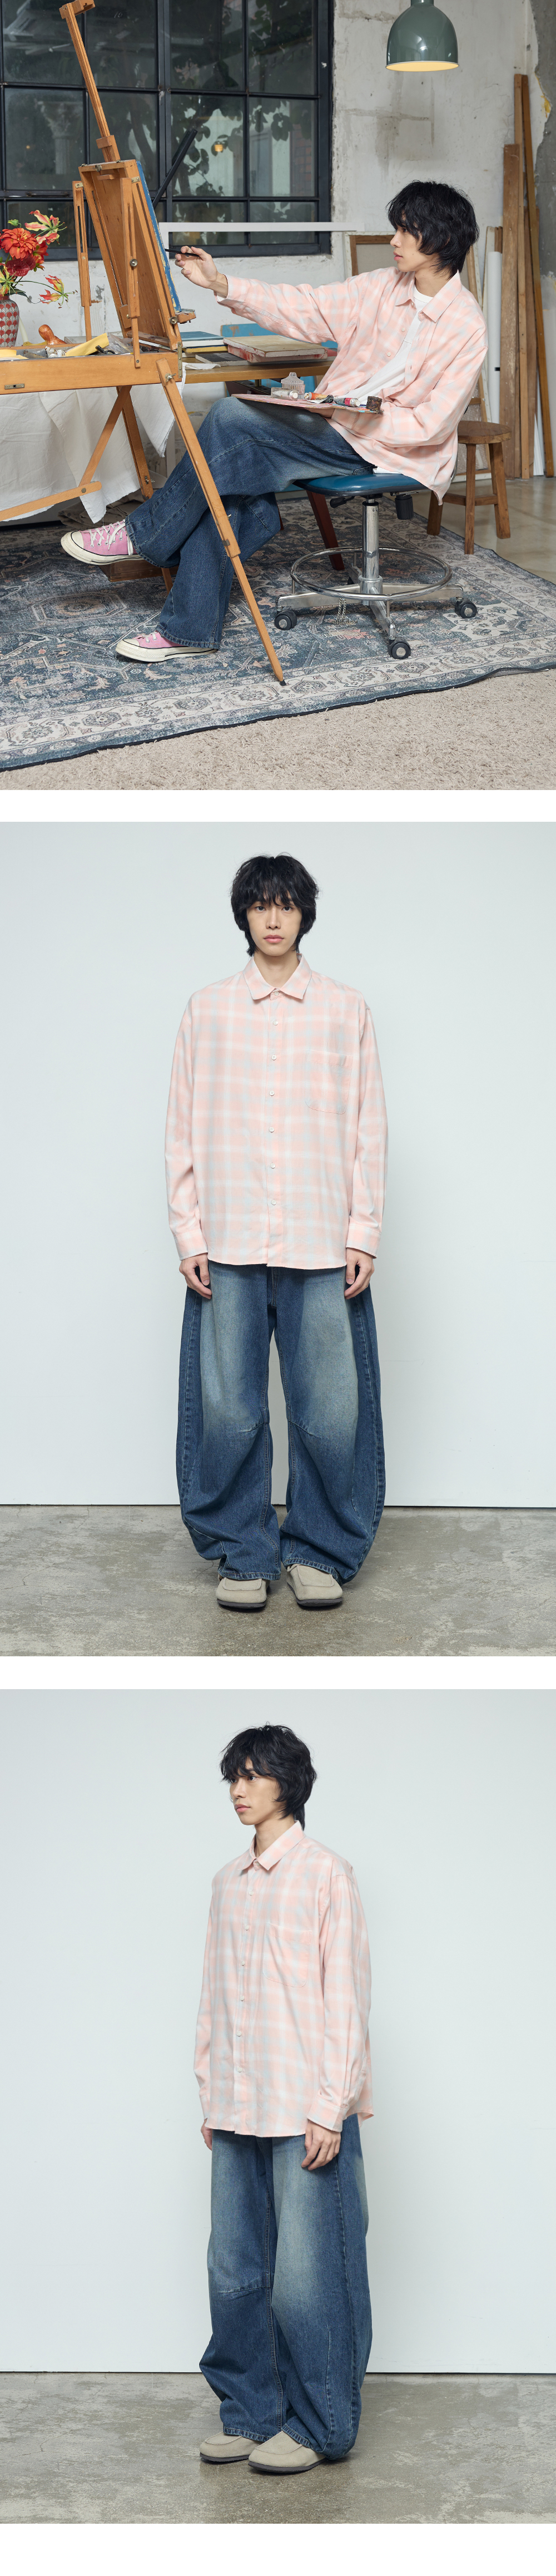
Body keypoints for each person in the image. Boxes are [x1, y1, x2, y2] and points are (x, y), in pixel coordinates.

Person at [61, 179, 487, 664]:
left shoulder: (466, 325)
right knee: (233, 484)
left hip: (392, 449)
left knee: (230, 416)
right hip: (335, 427)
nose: (394, 240)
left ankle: (142, 536)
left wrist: (352, 415)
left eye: (407, 231)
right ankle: (188, 631)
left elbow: (431, 425)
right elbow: (304, 305)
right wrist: (221, 284)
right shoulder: (381, 287)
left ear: (442, 240)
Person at [165, 851, 388, 1612]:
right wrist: (189, 1234)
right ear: (244, 914)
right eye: (259, 904)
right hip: (226, 1241)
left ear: (303, 914)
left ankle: (320, 1550)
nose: (272, 917)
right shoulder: (206, 1010)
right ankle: (244, 1553)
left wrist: (362, 1231)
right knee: (229, 1411)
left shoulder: (346, 1010)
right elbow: (180, 1129)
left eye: (285, 904)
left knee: (329, 1412)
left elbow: (369, 1129)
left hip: (321, 1243)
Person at [195, 1723, 373, 2475]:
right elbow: (213, 1996)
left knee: (309, 2281)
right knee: (235, 2273)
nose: (238, 1790)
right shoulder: (226, 1883)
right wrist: (210, 2090)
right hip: (238, 2103)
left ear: (287, 1784)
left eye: (252, 1775)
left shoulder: (326, 1874)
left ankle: (321, 2426)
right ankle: (251, 2412)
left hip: (306, 2109)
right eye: (233, 1777)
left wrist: (330, 2104)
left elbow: (346, 1998)